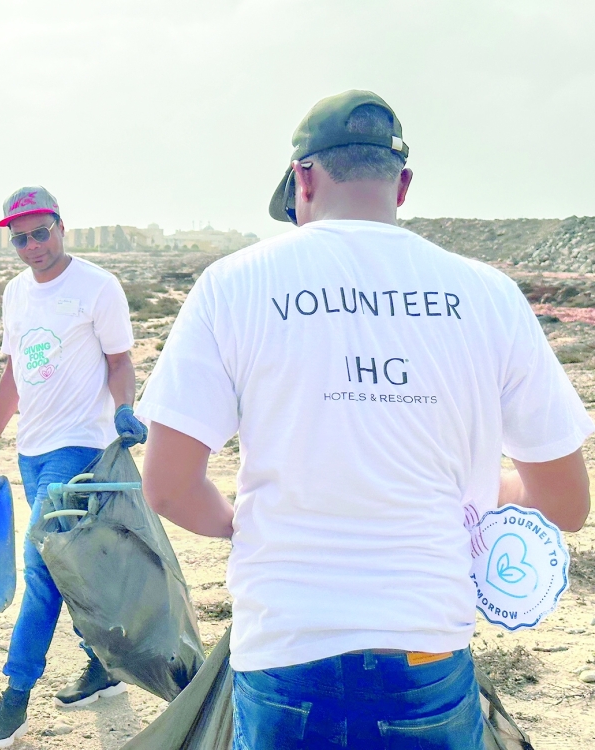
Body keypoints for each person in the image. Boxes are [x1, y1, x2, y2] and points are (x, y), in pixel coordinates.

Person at [136, 90, 592, 749]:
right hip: (425, 655)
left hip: (285, 649)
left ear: (303, 178)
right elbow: (566, 503)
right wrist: (479, 488)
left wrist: (242, 524)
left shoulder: (232, 284)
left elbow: (169, 486)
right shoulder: (489, 295)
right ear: (402, 184)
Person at [0, 187, 147, 747]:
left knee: (42, 565)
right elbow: (14, 375)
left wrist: (123, 408)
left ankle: (15, 697)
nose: (31, 246)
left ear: (61, 227)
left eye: (40, 233)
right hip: (32, 450)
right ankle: (101, 666)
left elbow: (120, 360)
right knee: (67, 564)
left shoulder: (96, 286)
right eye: (19, 238)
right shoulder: (16, 293)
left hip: (79, 448)